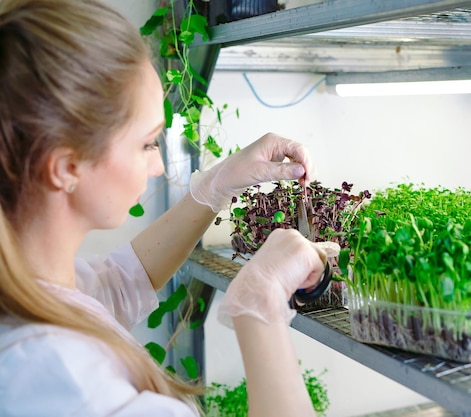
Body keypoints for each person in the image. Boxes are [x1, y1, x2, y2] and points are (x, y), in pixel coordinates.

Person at [0, 0, 330, 416]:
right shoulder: (60, 380)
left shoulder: (29, 287)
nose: (158, 165)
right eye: (146, 143)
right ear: (67, 168)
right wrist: (258, 305)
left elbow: (118, 282)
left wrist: (216, 186)